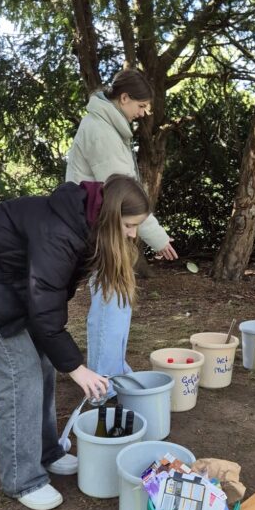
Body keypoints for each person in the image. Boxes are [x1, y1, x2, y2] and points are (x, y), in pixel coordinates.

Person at [0, 175, 150, 510]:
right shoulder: (61, 232)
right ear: (112, 217)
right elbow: (45, 306)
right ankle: (22, 478)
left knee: (43, 363)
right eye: (129, 225)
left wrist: (62, 356)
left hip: (12, 278)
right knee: (20, 373)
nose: (133, 235)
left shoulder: (86, 226)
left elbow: (48, 299)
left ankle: (47, 451)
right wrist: (77, 368)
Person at [65, 68, 177, 385]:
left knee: (115, 299)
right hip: (100, 229)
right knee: (111, 301)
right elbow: (123, 196)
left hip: (106, 226)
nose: (143, 113)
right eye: (140, 106)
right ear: (124, 98)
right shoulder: (101, 131)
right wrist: (157, 237)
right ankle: (106, 379)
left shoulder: (109, 126)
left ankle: (113, 370)